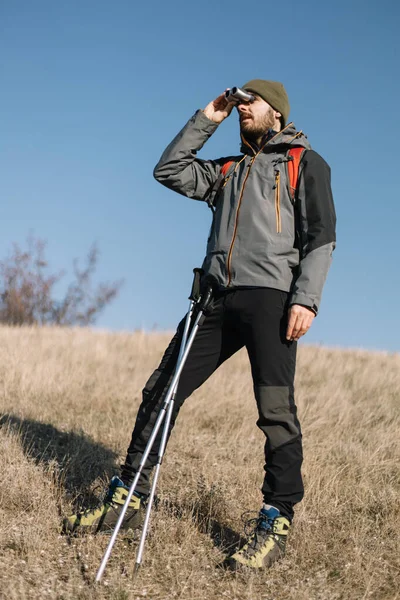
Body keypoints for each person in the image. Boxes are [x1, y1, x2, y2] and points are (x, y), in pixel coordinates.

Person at [64, 80, 336, 570]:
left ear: (277, 113)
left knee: (275, 410)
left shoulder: (302, 163)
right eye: (239, 103)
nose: (242, 109)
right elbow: (168, 170)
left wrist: (307, 300)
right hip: (213, 298)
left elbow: (321, 236)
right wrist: (207, 117)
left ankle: (276, 517)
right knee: (162, 389)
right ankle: (129, 494)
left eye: (251, 102)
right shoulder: (226, 171)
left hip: (271, 299)